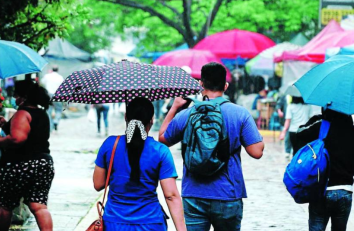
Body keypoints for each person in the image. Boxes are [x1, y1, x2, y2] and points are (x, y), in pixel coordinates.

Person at [159, 62, 264, 231]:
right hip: (228, 194)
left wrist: (175, 106)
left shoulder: (188, 114)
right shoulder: (240, 113)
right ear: (226, 85)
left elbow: (163, 138)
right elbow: (257, 152)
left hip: (193, 194)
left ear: (201, 84)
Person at [93, 97, 186, 231]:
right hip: (151, 223)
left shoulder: (110, 145)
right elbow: (170, 195)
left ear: (126, 117)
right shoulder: (160, 151)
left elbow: (98, 184)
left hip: (114, 222)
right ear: (151, 121)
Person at [297, 109, 354, 231]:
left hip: (321, 190)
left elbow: (299, 133)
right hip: (344, 192)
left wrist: (316, 119)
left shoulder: (321, 129)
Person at [0, 80, 54, 231]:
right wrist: (5, 125)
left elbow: (18, 138)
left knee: (6, 206)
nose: (14, 98)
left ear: (24, 97)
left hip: (20, 165)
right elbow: (31, 134)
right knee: (39, 206)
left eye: (16, 95)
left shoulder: (22, 113)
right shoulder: (42, 113)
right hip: (43, 164)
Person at [41, 66, 64, 131]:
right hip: (57, 95)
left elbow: (42, 82)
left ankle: (50, 126)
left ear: (52, 69)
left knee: (49, 110)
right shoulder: (60, 77)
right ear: (58, 70)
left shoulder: (47, 76)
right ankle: (56, 121)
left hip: (48, 95)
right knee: (58, 109)